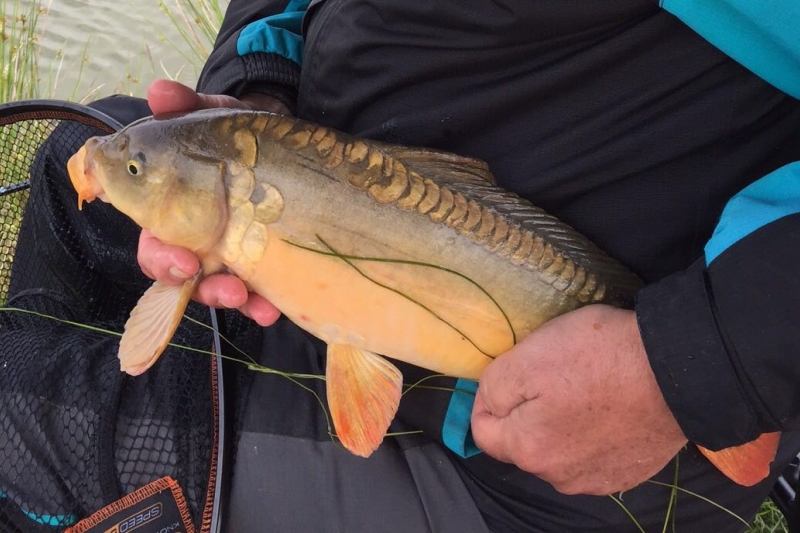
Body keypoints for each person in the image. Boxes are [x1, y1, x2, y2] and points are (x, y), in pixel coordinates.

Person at [1, 1, 799, 532]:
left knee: (17, 421)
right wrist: (258, 87)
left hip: (545, 438)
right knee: (67, 164)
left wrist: (698, 363)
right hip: (320, 260)